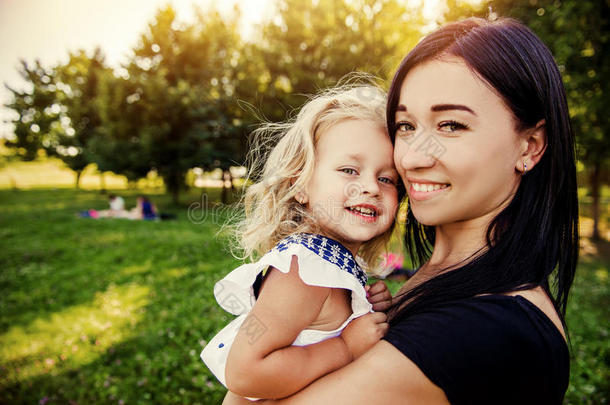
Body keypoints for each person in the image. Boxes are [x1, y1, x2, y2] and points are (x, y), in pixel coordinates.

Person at [223, 16, 579, 405]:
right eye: (406, 126)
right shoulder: (430, 279)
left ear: (529, 146)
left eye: (451, 125)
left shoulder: (488, 329)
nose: (412, 157)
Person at [200, 85, 403, 401]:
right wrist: (345, 345)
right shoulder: (304, 269)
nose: (370, 187)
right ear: (301, 185)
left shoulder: (330, 267)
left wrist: (363, 306)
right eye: (349, 170)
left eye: (387, 178)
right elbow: (246, 372)